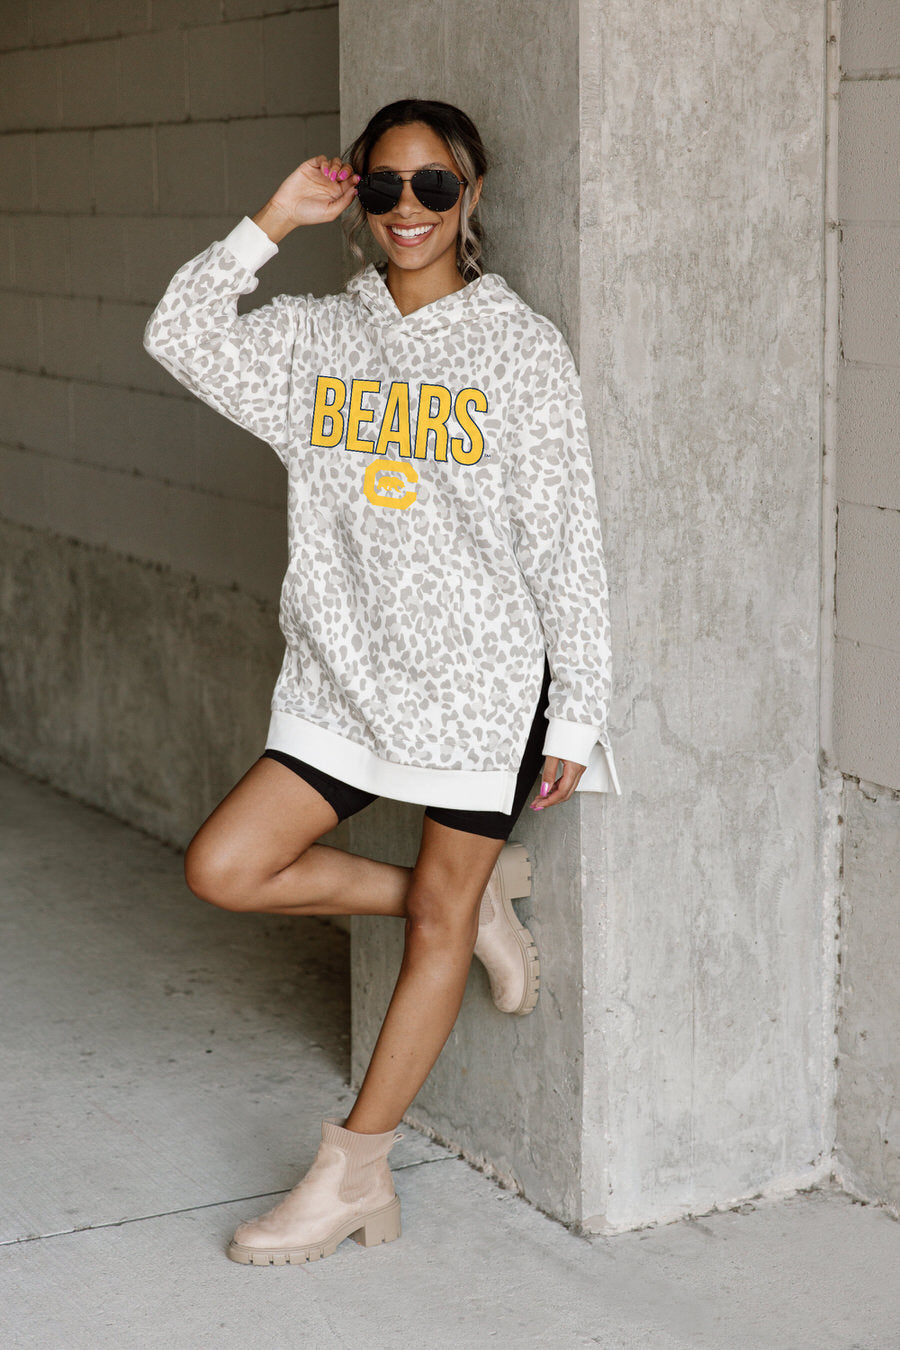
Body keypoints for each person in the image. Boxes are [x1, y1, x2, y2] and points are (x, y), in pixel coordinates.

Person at [144, 98, 618, 1266]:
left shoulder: (519, 349)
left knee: (439, 928)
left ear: (471, 197)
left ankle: (355, 1170)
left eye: (435, 186)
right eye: (387, 186)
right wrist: (273, 219)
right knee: (226, 867)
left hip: (481, 688)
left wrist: (578, 708)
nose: (411, 209)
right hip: (343, 679)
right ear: (359, 199)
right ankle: (463, 901)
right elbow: (179, 333)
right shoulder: (316, 339)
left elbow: (565, 538)